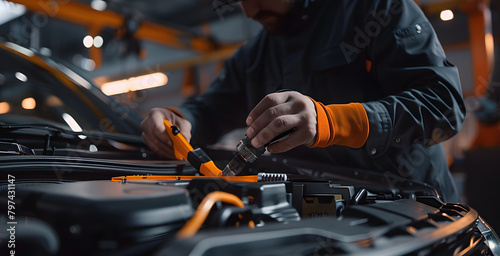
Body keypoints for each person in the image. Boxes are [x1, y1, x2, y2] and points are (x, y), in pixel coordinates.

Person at [141, 0, 466, 202]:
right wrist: (180, 119)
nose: (250, 11)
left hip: (411, 208)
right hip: (324, 212)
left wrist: (332, 122)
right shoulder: (255, 56)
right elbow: (210, 110)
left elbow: (444, 105)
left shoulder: (375, 9)